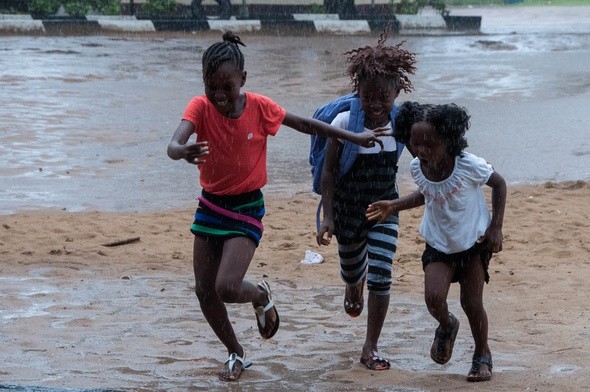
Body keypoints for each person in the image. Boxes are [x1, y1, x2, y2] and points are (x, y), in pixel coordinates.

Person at [167, 31, 387, 382]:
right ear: (204, 83)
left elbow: (304, 124)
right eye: (213, 87)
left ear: (243, 80)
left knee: (226, 287)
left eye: (228, 86)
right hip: (209, 207)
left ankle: (259, 294)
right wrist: (182, 151)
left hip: (246, 209)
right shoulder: (200, 106)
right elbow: (174, 143)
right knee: (204, 290)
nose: (220, 96)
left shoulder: (259, 107)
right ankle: (235, 352)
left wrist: (353, 136)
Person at [366, 102, 506, 382]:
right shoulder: (418, 167)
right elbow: (426, 193)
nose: (423, 151)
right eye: (416, 143)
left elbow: (499, 184)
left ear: (449, 141)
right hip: (439, 244)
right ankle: (446, 324)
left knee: (471, 303)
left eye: (431, 144)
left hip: (473, 243)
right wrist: (393, 205)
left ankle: (482, 354)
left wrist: (496, 227)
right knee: (433, 298)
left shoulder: (469, 165)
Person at [315, 29, 417, 371]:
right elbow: (329, 174)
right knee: (351, 270)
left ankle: (370, 346)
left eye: (383, 97)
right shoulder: (344, 122)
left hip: (385, 208)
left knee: (382, 274)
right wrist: (328, 217)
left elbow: (425, 157)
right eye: (367, 96)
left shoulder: (403, 125)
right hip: (346, 211)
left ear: (397, 93)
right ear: (356, 92)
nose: (375, 105)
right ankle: (352, 287)